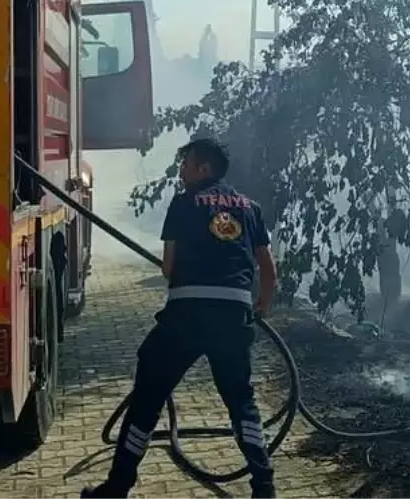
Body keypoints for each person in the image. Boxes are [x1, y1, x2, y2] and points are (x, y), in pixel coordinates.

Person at [83, 138, 278, 499]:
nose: (181, 170)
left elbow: (169, 268)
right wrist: (260, 306)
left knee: (148, 396)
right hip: (234, 314)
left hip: (186, 314)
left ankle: (116, 488)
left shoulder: (184, 202)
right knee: (241, 401)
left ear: (204, 169)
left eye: (186, 163)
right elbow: (268, 269)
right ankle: (264, 488)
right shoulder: (250, 207)